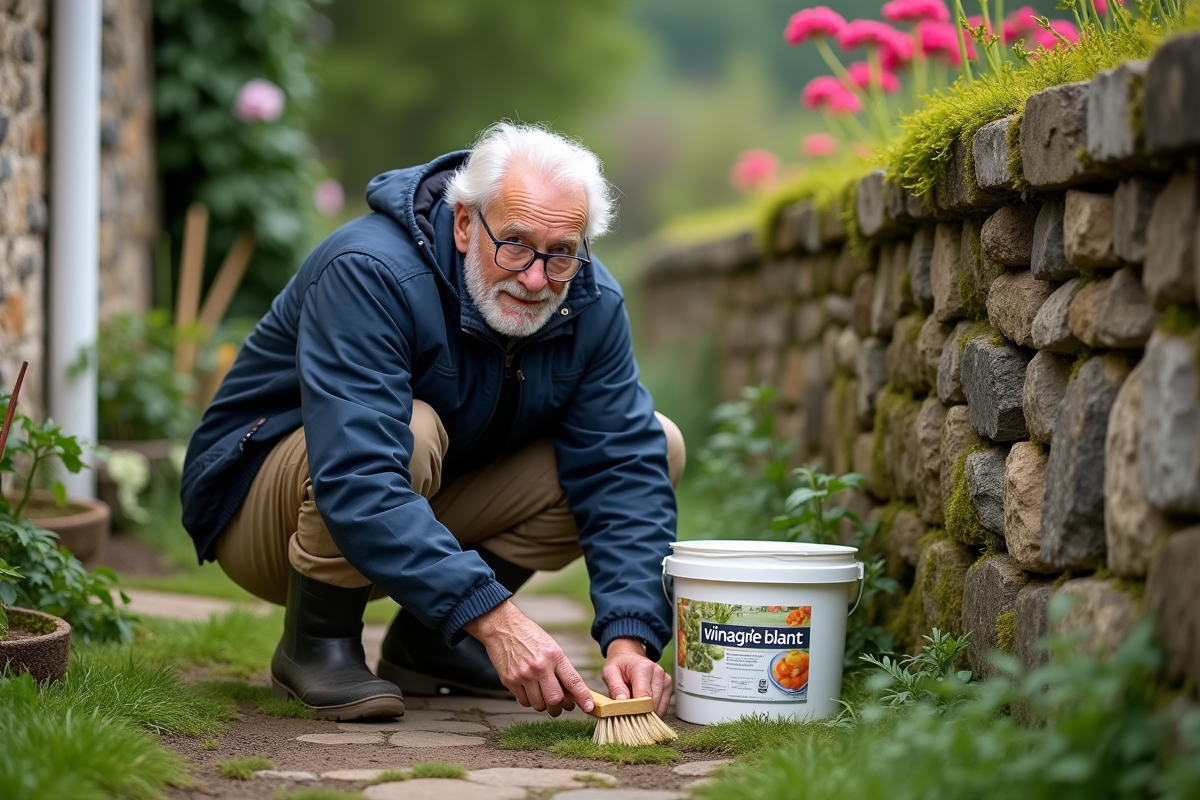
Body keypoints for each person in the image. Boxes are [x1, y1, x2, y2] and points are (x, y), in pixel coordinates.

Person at [180, 122, 684, 722]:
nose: (534, 278)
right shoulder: (367, 269)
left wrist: (632, 638)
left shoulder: (591, 302)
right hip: (266, 515)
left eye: (561, 254)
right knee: (410, 431)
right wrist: (497, 620)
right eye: (516, 244)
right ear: (466, 222)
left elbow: (621, 468)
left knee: (659, 442)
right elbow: (358, 471)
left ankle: (430, 644)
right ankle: (316, 644)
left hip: (421, 491)